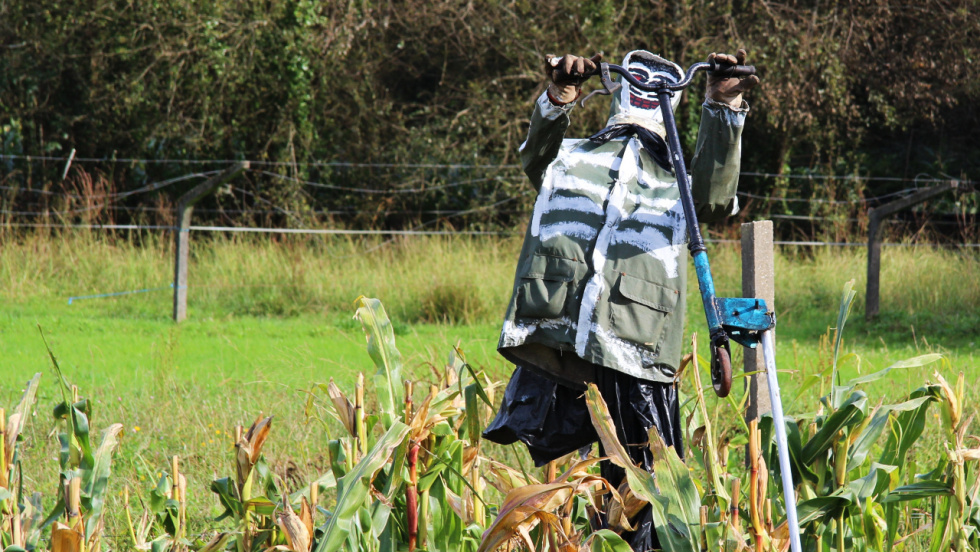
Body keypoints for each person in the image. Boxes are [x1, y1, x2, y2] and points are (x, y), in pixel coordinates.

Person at [483, 48, 759, 550]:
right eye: (639, 74)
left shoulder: (681, 181)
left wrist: (722, 102)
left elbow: (717, 198)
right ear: (615, 86)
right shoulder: (573, 155)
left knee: (639, 489)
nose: (647, 85)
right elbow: (535, 159)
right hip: (559, 340)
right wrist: (560, 95)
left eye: (661, 80)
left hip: (637, 352)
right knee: (558, 478)